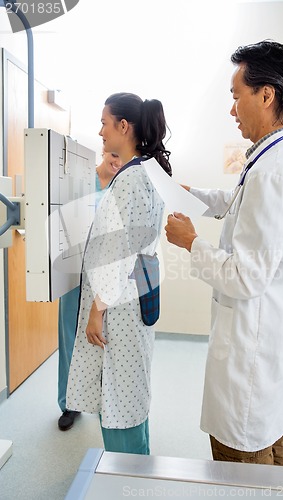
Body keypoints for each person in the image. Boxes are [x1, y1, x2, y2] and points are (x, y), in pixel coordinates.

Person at [165, 40, 283, 466]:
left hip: (252, 361)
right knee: (273, 455)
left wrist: (190, 241)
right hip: (271, 355)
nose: (232, 110)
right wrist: (190, 195)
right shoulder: (280, 159)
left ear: (266, 95)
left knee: (243, 471)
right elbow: (236, 202)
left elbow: (244, 277)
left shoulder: (273, 172)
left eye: (236, 96)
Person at [66, 92, 171, 454]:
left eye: (104, 123)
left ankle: (126, 478)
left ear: (123, 127)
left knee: (118, 396)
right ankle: (135, 471)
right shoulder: (147, 173)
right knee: (131, 390)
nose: (100, 132)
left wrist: (97, 312)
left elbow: (119, 256)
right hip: (137, 294)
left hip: (119, 305)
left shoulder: (128, 181)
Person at [58, 150, 123, 431]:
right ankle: (68, 404)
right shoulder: (82, 182)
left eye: (121, 157)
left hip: (106, 276)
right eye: (113, 155)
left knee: (102, 339)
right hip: (75, 272)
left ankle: (100, 401)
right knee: (69, 337)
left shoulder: (122, 186)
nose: (116, 161)